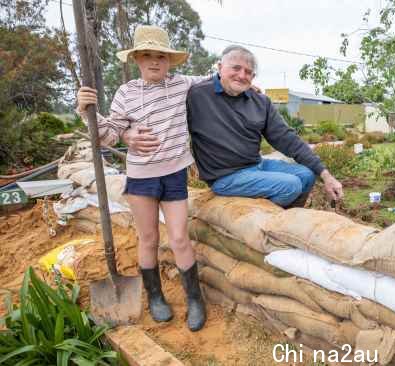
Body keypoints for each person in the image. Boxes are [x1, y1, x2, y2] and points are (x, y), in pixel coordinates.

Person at [76, 25, 208, 331]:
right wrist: (87, 113)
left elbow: (216, 79)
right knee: (148, 237)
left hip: (174, 174)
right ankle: (156, 297)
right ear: (136, 58)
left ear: (169, 60)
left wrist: (247, 84)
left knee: (178, 238)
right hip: (141, 178)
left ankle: (195, 299)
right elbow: (106, 135)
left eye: (160, 56)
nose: (154, 61)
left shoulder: (181, 84)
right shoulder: (127, 93)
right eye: (146, 55)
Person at [185, 45, 344, 207]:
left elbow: (287, 139)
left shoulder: (260, 101)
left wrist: (326, 175)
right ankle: (265, 221)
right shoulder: (197, 95)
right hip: (225, 177)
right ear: (220, 68)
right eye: (236, 68)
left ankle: (287, 218)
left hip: (256, 166)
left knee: (306, 175)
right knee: (290, 186)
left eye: (248, 72)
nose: (242, 75)